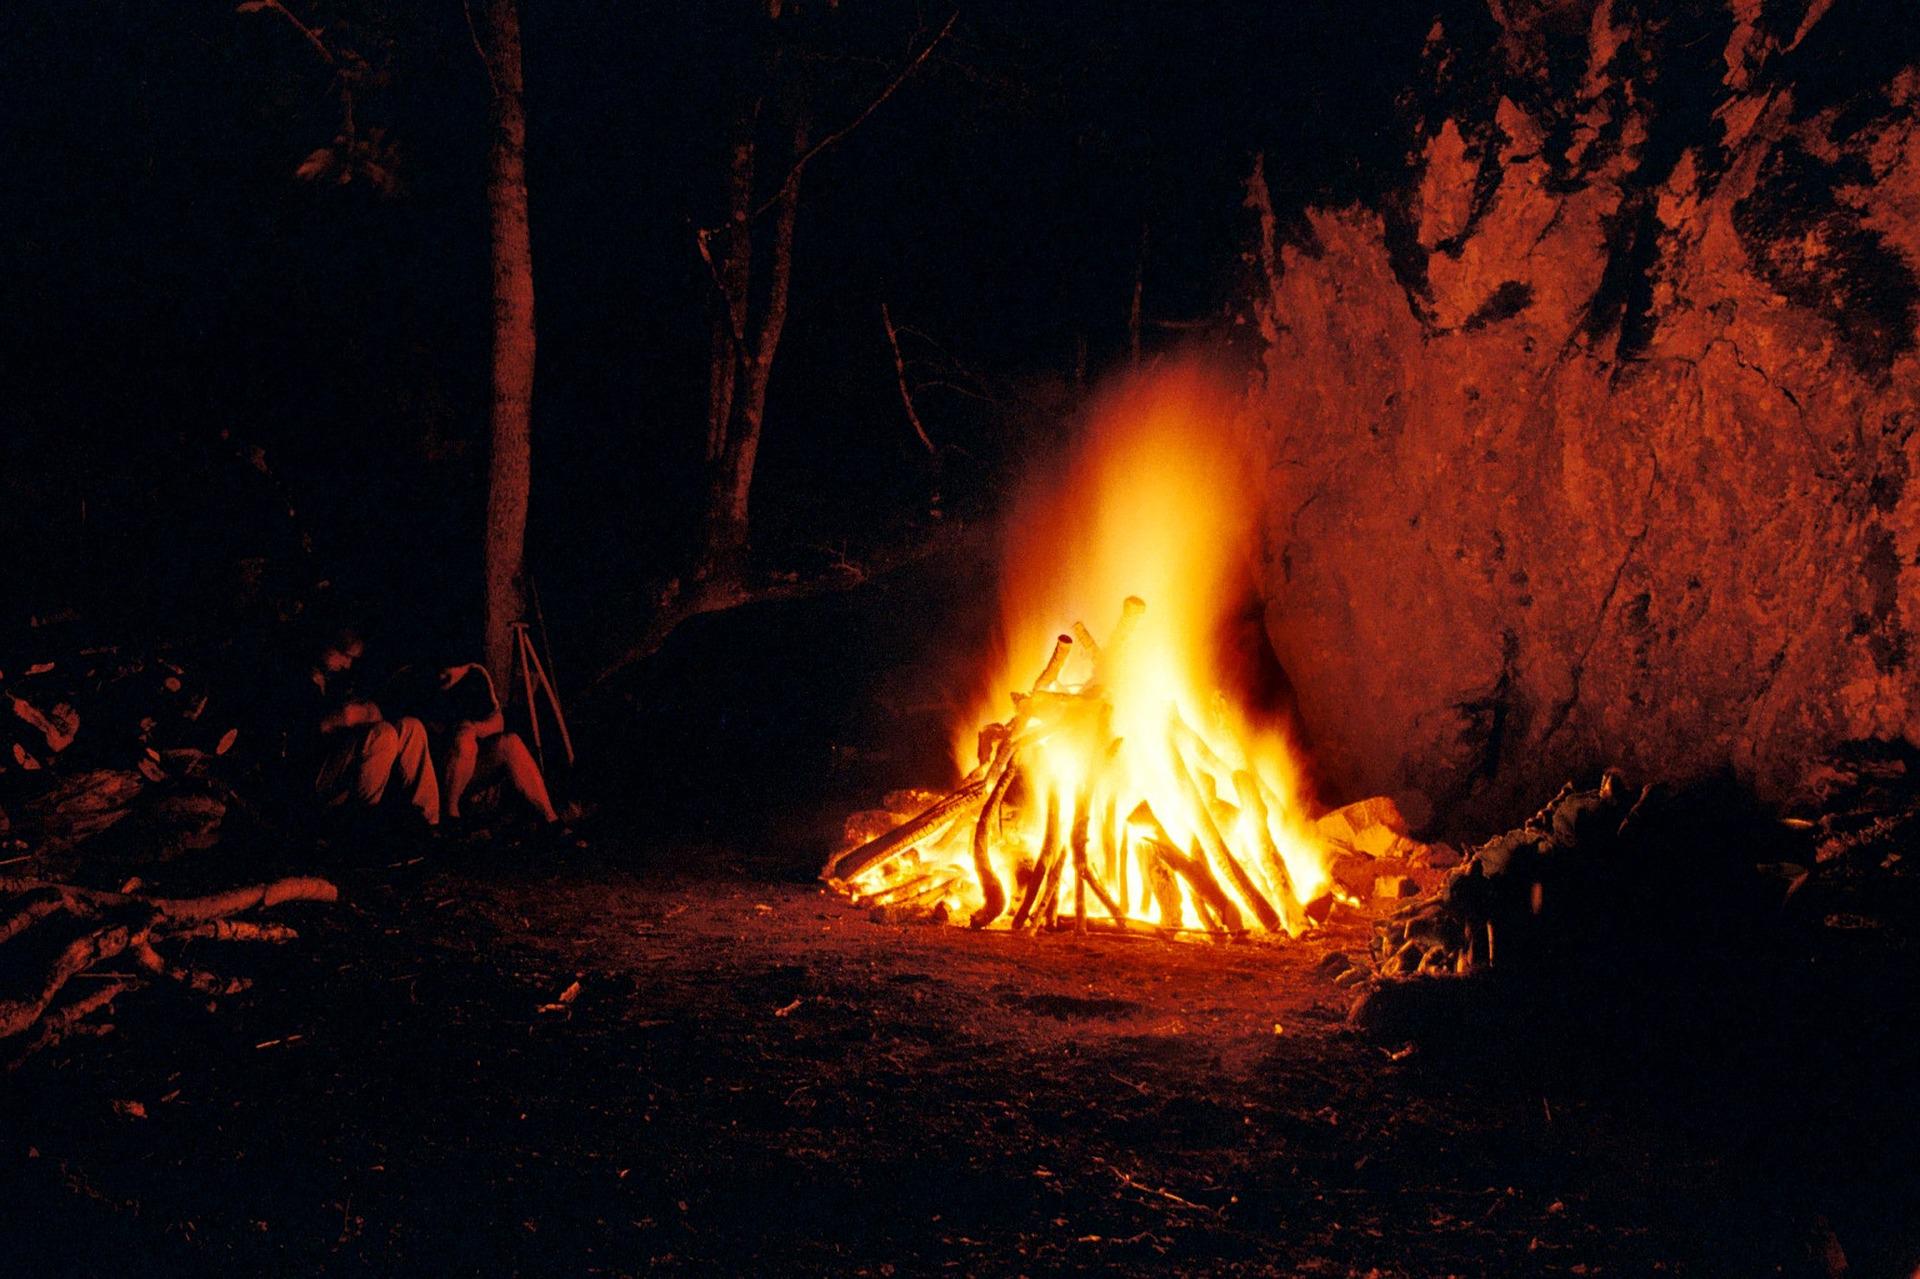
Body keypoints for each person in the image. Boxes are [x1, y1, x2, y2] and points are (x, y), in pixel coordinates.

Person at [298, 626, 440, 829]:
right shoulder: (300, 678)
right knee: (383, 734)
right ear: (327, 646)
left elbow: (364, 713)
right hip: (312, 776)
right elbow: (325, 724)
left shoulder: (340, 679)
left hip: (342, 760)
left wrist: (358, 714)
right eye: (345, 656)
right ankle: (361, 825)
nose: (347, 664)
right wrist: (346, 717)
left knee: (411, 727)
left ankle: (429, 822)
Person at [413, 661, 559, 826]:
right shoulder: (413, 679)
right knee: (463, 739)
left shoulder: (474, 675)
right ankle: (451, 816)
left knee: (509, 743)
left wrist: (474, 728)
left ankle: (551, 819)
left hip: (467, 767)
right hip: (431, 773)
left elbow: (497, 721)